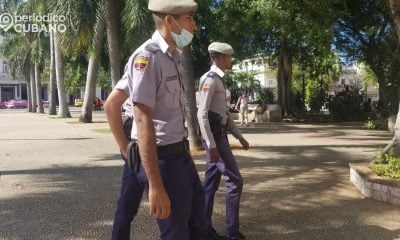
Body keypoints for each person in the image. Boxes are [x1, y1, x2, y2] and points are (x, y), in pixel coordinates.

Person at [104, 1, 208, 239]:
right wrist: (154, 184)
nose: (194, 25)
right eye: (189, 18)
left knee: (198, 220)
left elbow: (112, 102)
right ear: (170, 21)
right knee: (174, 230)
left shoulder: (171, 56)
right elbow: (141, 120)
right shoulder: (147, 58)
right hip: (162, 158)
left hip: (179, 155)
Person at [197, 42, 250, 240]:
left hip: (220, 136)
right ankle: (232, 233)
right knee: (235, 181)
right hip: (215, 139)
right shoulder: (210, 79)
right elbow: (202, 113)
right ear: (219, 57)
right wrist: (211, 145)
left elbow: (224, 113)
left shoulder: (219, 79)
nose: (230, 60)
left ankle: (202, 229)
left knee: (210, 183)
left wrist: (238, 136)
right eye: (228, 57)